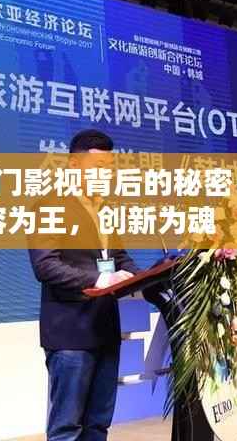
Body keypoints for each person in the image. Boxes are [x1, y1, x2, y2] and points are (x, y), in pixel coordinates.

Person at [28, 129, 139, 441]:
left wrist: (145, 278)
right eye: (99, 167)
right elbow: (45, 265)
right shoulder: (50, 205)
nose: (107, 175)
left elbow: (119, 258)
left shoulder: (104, 209)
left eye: (110, 168)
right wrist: (98, 279)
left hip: (105, 330)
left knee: (98, 425)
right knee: (67, 429)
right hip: (71, 334)